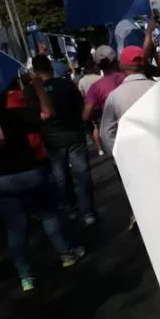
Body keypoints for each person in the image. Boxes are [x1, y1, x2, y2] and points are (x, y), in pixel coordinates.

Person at [0, 76, 83, 292]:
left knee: (15, 228)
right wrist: (38, 88)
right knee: (48, 214)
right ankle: (66, 254)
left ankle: (26, 277)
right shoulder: (12, 116)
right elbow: (47, 114)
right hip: (28, 173)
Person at [29, 54, 98, 226]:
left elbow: (34, 117)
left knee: (61, 177)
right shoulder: (66, 84)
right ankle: (87, 212)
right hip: (74, 134)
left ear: (35, 72)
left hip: (51, 141)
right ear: (51, 67)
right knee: (82, 174)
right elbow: (80, 105)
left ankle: (71, 208)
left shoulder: (33, 92)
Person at [99, 46, 156, 155]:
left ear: (121, 66)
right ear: (144, 64)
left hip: (133, 155)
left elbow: (106, 134)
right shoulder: (159, 87)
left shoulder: (114, 96)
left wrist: (121, 157)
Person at [81, 45, 125, 154]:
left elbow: (86, 115)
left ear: (97, 65)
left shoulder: (95, 87)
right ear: (115, 60)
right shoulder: (126, 77)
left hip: (113, 132)